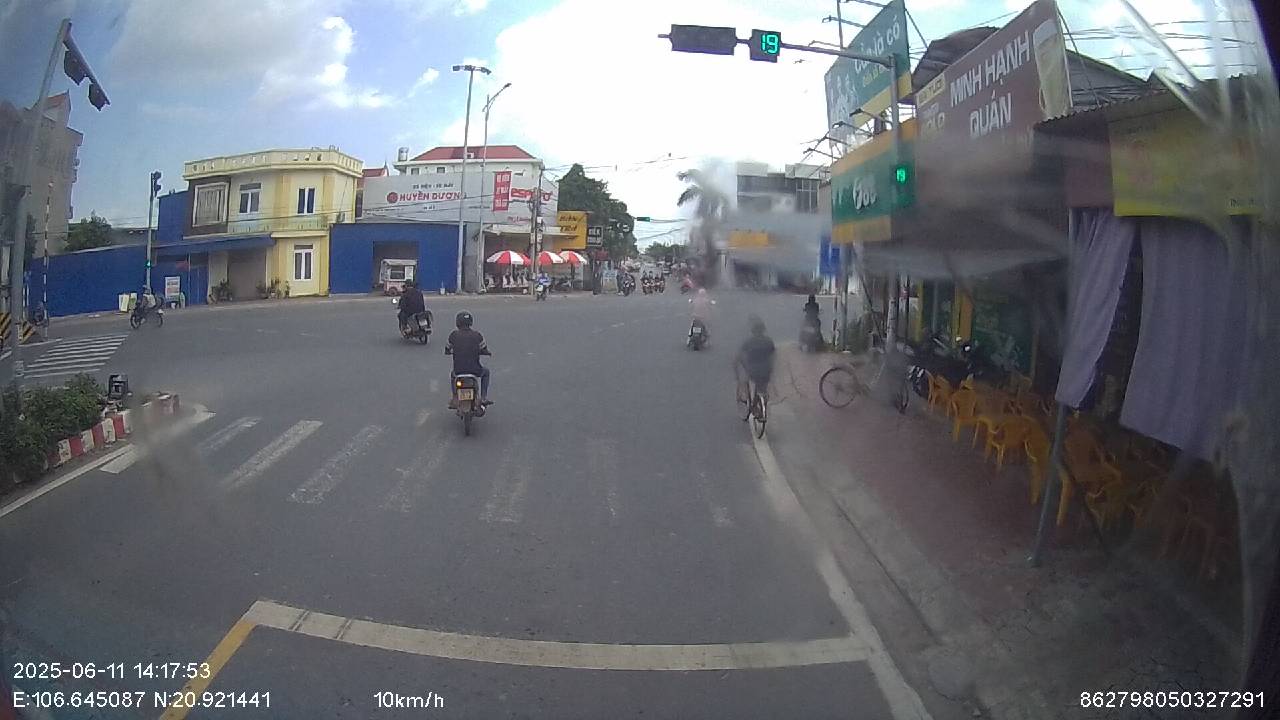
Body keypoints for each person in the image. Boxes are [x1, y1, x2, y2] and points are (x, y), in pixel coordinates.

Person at [446, 311, 492, 408]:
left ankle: (455, 397)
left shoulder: (453, 335)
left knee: (452, 375)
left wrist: (449, 351)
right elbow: (484, 349)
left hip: (458, 370)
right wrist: (486, 353)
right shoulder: (477, 335)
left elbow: (447, 348)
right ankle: (483, 397)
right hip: (475, 370)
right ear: (470, 322)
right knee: (486, 372)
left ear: (457, 323)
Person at [737, 315, 776, 402]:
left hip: (752, 370)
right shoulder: (769, 341)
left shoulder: (748, 342)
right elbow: (773, 356)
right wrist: (771, 369)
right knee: (763, 388)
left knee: (751, 384)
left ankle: (752, 402)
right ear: (763, 330)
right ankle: (763, 400)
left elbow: (741, 356)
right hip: (766, 370)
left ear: (753, 331)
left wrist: (745, 367)